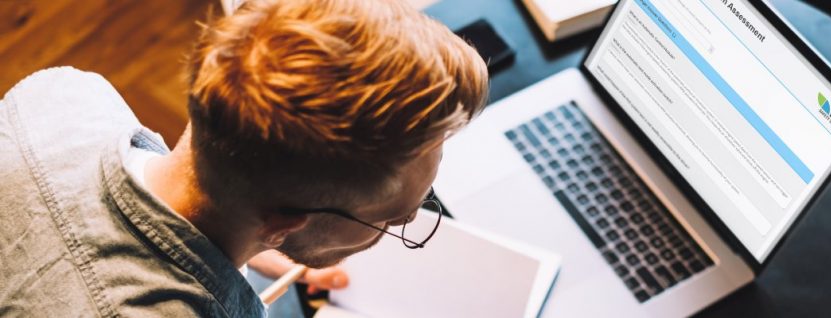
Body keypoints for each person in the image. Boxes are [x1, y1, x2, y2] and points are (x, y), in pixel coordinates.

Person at [0, 0, 488, 316]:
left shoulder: (63, 93)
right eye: (395, 220)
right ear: (284, 221)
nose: (408, 219)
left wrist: (247, 250)